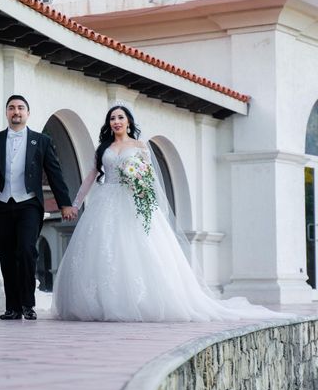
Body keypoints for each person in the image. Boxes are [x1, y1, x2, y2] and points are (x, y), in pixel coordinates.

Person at [52, 104, 293, 322]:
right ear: (109, 124)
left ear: (128, 122)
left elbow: (149, 178)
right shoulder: (103, 148)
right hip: (106, 200)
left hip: (134, 202)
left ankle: (140, 302)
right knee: (104, 249)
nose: (116, 121)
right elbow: (90, 178)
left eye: (120, 117)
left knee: (137, 248)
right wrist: (75, 203)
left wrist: (141, 190)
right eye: (112, 118)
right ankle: (102, 302)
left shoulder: (139, 146)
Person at [0, 95, 76, 320]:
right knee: (6, 256)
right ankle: (13, 307)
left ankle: (28, 304)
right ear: (6, 113)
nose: (16, 111)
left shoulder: (41, 141)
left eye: (20, 108)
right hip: (0, 204)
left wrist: (65, 203)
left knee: (26, 250)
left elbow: (55, 174)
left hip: (28, 204)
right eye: (11, 108)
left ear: (28, 113)